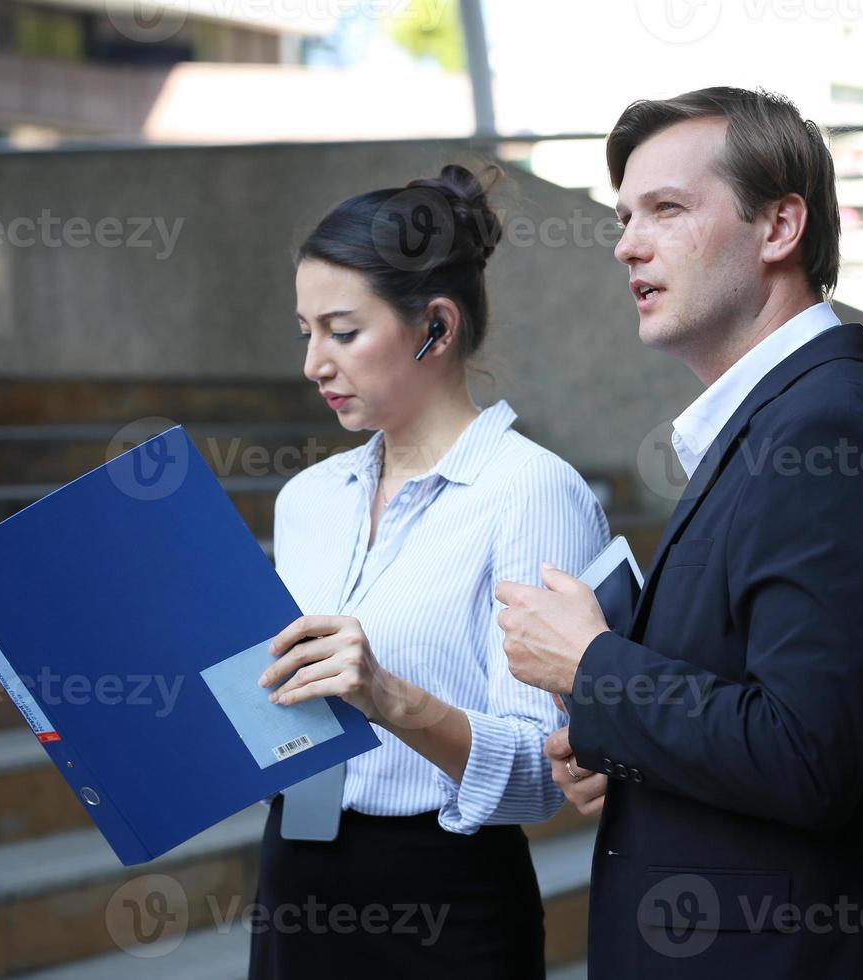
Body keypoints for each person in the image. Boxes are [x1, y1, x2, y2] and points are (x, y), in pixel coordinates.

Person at [494, 87, 863, 977]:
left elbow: (806, 756)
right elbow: (764, 712)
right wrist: (618, 739)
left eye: (667, 209)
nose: (626, 244)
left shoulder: (824, 432)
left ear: (779, 229)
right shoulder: (785, 423)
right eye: (623, 216)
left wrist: (591, 667)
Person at [248, 163, 610, 979]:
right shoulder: (308, 498)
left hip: (442, 897)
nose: (313, 363)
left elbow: (541, 777)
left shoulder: (532, 492)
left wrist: (387, 696)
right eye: (305, 330)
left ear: (435, 329)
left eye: (341, 332)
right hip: (293, 867)